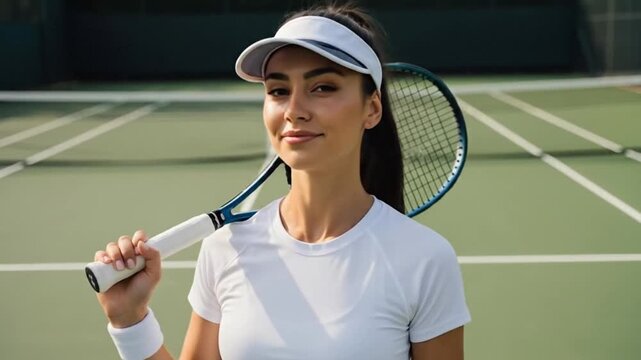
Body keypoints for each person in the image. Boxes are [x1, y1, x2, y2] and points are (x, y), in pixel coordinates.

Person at [93, 3, 471, 359]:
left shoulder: (424, 259)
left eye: (322, 87)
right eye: (278, 91)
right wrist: (130, 321)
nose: (294, 110)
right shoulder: (225, 249)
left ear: (371, 109)